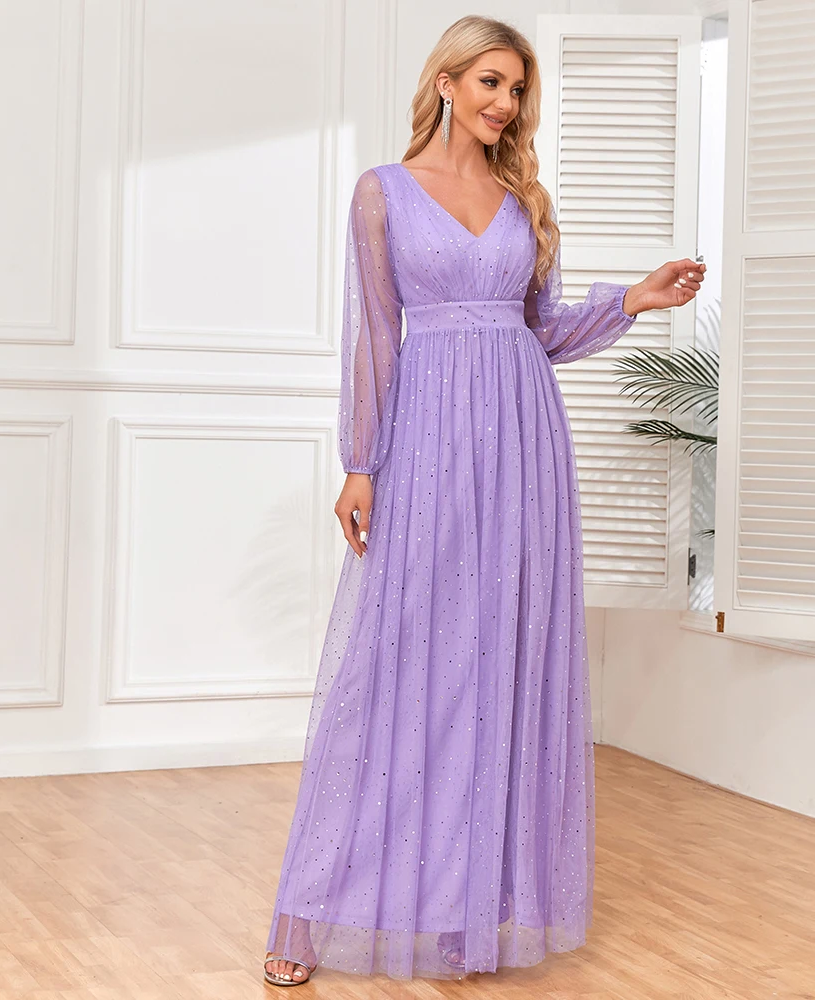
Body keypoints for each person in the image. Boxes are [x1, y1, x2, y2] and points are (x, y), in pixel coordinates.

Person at [263, 13, 704, 987]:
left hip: (523, 446)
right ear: (448, 83)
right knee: (393, 663)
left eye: (517, 89)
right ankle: (307, 912)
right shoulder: (382, 192)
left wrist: (633, 299)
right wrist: (360, 463)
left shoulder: (523, 199)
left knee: (500, 666)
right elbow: (375, 334)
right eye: (491, 83)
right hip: (425, 441)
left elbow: (539, 330)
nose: (505, 103)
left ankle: (470, 910)